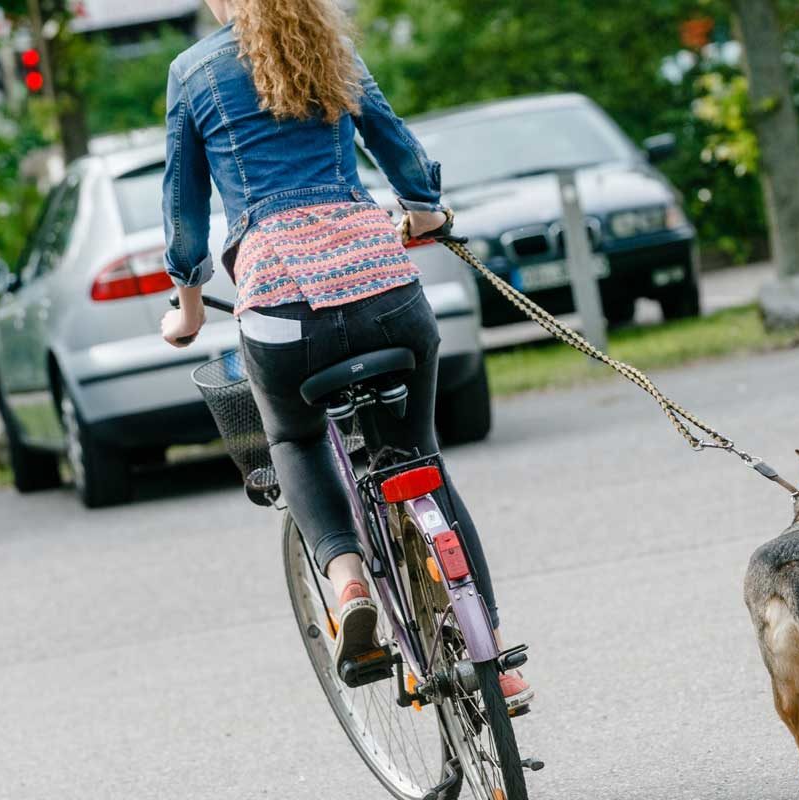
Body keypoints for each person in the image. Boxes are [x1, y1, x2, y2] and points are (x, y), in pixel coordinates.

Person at [159, 0, 532, 708]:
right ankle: (496, 658)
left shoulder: (193, 72)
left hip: (280, 304)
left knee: (294, 439)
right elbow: (396, 147)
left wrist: (188, 309)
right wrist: (423, 211)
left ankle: (347, 579)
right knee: (419, 465)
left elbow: (183, 210)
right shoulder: (330, 46)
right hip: (387, 292)